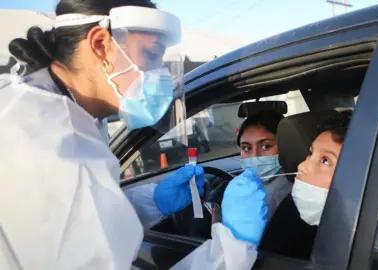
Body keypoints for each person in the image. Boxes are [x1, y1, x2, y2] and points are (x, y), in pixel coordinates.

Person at [0, 1, 266, 269]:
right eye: (151, 54)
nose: (160, 74)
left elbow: (86, 220)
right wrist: (232, 249)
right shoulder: (53, 143)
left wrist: (153, 202)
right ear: (100, 44)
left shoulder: (55, 112)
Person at [259, 111, 351, 260]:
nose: (302, 165)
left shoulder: (361, 240)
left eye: (325, 160)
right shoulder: (290, 209)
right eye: (311, 153)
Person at [237, 110, 293, 220]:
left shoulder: (276, 194)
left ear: (285, 145)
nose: (255, 156)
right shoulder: (246, 184)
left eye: (266, 146)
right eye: (247, 148)